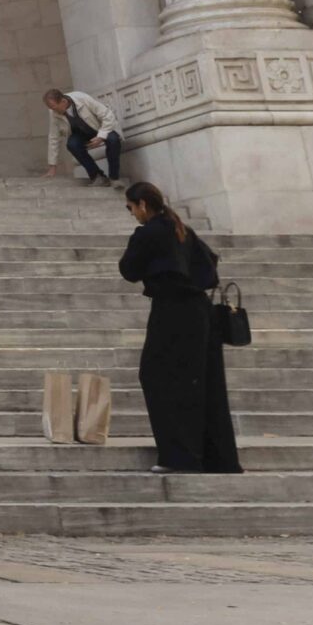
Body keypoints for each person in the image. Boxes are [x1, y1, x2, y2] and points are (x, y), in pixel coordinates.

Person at [118, 182, 241, 475]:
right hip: (200, 312)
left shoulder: (149, 233)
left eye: (130, 207)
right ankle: (217, 457)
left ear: (143, 205)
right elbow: (209, 267)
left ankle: (180, 456)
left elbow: (128, 270)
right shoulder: (182, 230)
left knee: (161, 378)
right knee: (204, 382)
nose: (132, 214)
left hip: (172, 312)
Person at [44, 88, 124, 186]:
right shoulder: (53, 112)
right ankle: (97, 176)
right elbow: (53, 138)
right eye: (51, 108)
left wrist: (101, 136)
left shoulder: (82, 98)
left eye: (54, 107)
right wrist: (53, 166)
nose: (53, 110)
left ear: (63, 101)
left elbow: (107, 115)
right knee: (72, 144)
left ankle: (114, 178)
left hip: (100, 127)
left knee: (113, 140)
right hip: (80, 134)